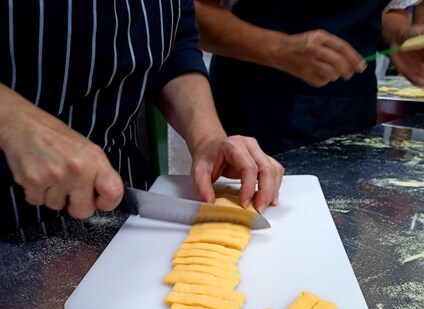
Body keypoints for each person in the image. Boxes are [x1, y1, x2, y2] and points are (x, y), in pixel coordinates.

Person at [0, 0, 283, 237]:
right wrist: (14, 121)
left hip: (122, 202)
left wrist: (208, 136)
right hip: (12, 210)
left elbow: (174, 40)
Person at [194, 0, 424, 155]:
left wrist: (397, 37)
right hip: (257, 108)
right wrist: (278, 48)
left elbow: (392, 10)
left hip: (352, 109)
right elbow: (190, 14)